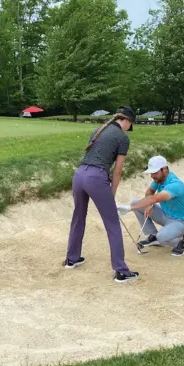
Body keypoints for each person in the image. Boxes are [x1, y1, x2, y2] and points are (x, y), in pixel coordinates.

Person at [64, 106, 140, 283]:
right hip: (96, 178)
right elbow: (118, 170)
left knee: (78, 217)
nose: (129, 128)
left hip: (79, 175)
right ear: (127, 121)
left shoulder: (98, 130)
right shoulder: (122, 137)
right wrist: (111, 192)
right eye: (130, 124)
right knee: (112, 223)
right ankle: (121, 271)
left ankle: (71, 259)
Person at [117, 155, 184, 256]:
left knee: (162, 238)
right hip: (164, 215)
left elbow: (154, 198)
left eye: (154, 173)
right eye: (151, 173)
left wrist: (129, 208)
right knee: (135, 203)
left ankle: (180, 239)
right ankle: (153, 235)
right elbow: (149, 192)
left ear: (164, 169)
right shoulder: (159, 180)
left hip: (180, 222)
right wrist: (148, 206)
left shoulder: (175, 185)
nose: (152, 176)